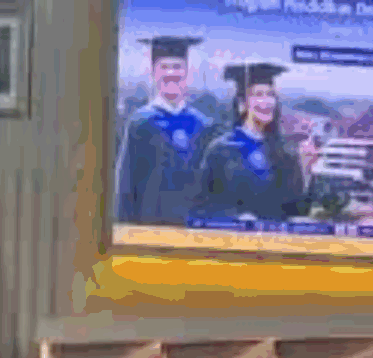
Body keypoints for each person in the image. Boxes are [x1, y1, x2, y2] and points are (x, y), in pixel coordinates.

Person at [114, 36, 211, 228]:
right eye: (164, 67)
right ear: (153, 72)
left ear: (187, 71)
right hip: (150, 230)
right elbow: (126, 185)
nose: (171, 73)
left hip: (194, 232)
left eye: (177, 67)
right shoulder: (140, 122)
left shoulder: (201, 125)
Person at [199, 63, 309, 224]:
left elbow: (295, 209)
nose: (266, 102)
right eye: (258, 95)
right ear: (242, 104)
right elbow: (203, 206)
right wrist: (236, 218)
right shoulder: (221, 150)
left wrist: (306, 171)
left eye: (270, 95)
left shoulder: (284, 152)